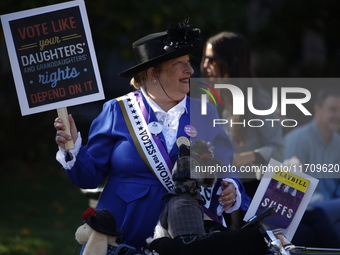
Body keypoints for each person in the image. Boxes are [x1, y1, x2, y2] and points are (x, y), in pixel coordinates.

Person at [54, 20, 248, 252]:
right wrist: (72, 146)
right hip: (123, 231)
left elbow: (225, 167)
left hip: (187, 232)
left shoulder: (205, 112)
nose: (191, 70)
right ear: (152, 73)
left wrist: (231, 188)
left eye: (188, 62)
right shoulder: (118, 111)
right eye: (179, 63)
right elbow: (88, 177)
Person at [200, 31, 283, 228]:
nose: (204, 66)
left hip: (248, 194)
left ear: (232, 61)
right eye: (204, 59)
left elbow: (278, 149)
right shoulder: (206, 98)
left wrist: (243, 157)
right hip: (213, 192)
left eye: (212, 60)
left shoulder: (258, 100)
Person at [283, 87, 340, 248]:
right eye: (332, 109)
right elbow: (286, 191)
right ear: (317, 109)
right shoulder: (297, 140)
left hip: (329, 206)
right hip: (305, 210)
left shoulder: (337, 142)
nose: (338, 115)